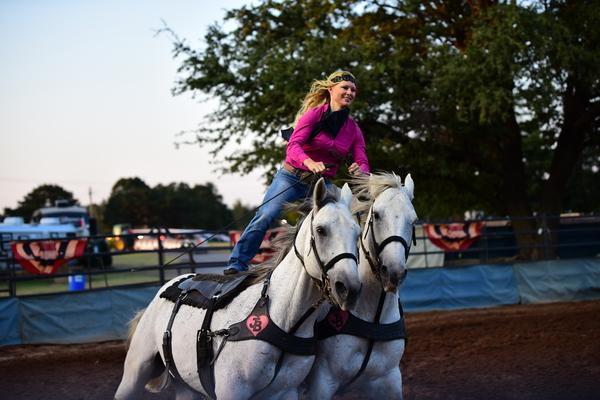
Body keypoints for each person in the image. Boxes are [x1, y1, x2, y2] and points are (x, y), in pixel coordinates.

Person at [223, 70, 370, 275]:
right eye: (345, 87)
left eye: (353, 89)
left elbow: (362, 159)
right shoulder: (314, 115)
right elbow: (293, 146)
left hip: (321, 184)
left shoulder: (353, 129)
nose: (349, 92)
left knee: (354, 213)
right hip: (291, 176)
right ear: (330, 90)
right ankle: (237, 263)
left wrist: (361, 170)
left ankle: (356, 267)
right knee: (266, 215)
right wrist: (309, 162)